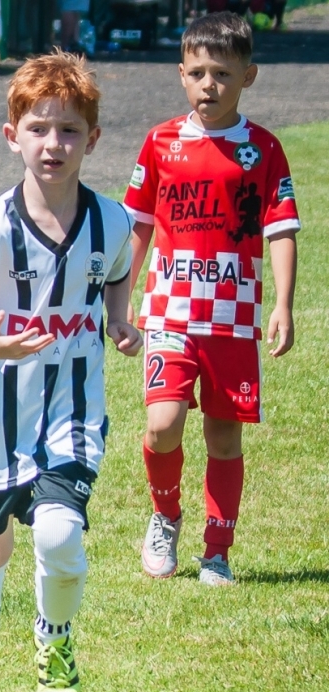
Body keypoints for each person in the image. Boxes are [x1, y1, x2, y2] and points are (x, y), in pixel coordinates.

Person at [0, 53, 140, 692]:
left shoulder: (112, 221)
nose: (54, 143)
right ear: (12, 135)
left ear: (93, 140)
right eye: (39, 128)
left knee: (59, 531)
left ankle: (54, 640)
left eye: (70, 130)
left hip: (74, 409)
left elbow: (116, 271)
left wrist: (117, 320)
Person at [126, 13, 298, 587]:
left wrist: (282, 304)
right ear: (181, 75)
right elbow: (139, 225)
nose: (209, 85)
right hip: (169, 311)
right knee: (162, 424)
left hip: (231, 318)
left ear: (247, 76)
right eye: (198, 72)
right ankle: (165, 515)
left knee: (224, 435)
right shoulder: (160, 142)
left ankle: (217, 551)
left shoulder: (263, 149)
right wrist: (121, 295)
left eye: (222, 73)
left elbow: (281, 230)